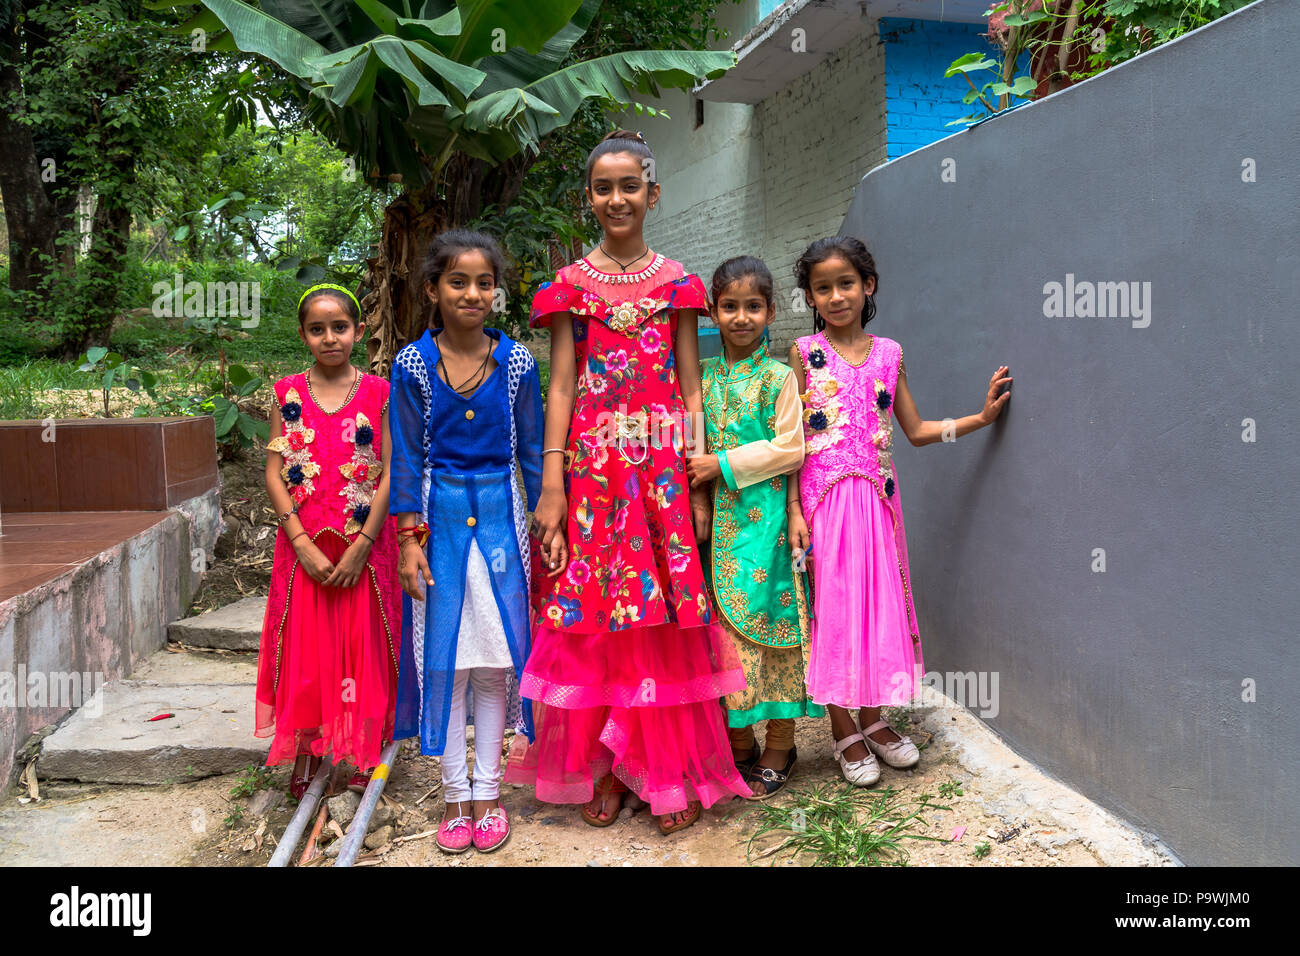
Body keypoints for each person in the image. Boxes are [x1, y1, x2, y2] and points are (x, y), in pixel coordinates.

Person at [507, 130, 751, 834]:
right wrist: (552, 480)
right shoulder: (568, 289)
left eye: (629, 185)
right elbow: (560, 384)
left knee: (661, 617)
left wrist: (698, 478)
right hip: (591, 471)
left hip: (662, 474)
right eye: (604, 187)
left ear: (653, 193)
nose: (617, 198)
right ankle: (607, 768)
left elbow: (691, 383)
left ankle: (664, 767)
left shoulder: (678, 282)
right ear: (590, 198)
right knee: (597, 614)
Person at [790, 235, 1011, 785]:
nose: (836, 296)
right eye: (823, 288)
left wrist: (979, 420)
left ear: (868, 286)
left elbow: (913, 431)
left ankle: (875, 720)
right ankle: (843, 728)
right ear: (811, 298)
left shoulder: (891, 354)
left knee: (877, 607)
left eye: (846, 284)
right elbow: (790, 438)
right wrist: (794, 509)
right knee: (835, 609)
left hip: (878, 504)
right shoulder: (802, 355)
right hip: (825, 504)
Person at [389, 229, 543, 854]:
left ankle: (489, 792)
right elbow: (403, 456)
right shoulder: (411, 365)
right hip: (437, 519)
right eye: (457, 282)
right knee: (444, 664)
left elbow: (532, 452)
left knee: (494, 664)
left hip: (503, 522)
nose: (472, 293)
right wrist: (406, 539)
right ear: (433, 289)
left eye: (484, 283)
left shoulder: (519, 365)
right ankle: (454, 794)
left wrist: (547, 521)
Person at [256, 283, 400, 800]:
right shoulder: (286, 393)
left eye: (340, 327)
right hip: (305, 548)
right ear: (303, 336)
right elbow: (275, 472)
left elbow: (391, 470)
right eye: (317, 330)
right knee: (307, 647)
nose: (330, 337)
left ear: (359, 332)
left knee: (362, 644)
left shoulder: (380, 393)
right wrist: (299, 541)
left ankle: (363, 746)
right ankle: (310, 747)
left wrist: (364, 542)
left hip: (363, 544)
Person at [688, 255, 822, 799]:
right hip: (715, 531)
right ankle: (739, 744)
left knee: (776, 628)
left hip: (764, 529)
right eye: (729, 306)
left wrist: (721, 466)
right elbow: (689, 442)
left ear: (770, 312)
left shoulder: (779, 377)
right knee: (722, 639)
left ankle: (781, 743)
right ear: (712, 313)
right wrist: (699, 495)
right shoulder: (702, 379)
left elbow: (792, 447)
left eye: (753, 306)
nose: (741, 317)